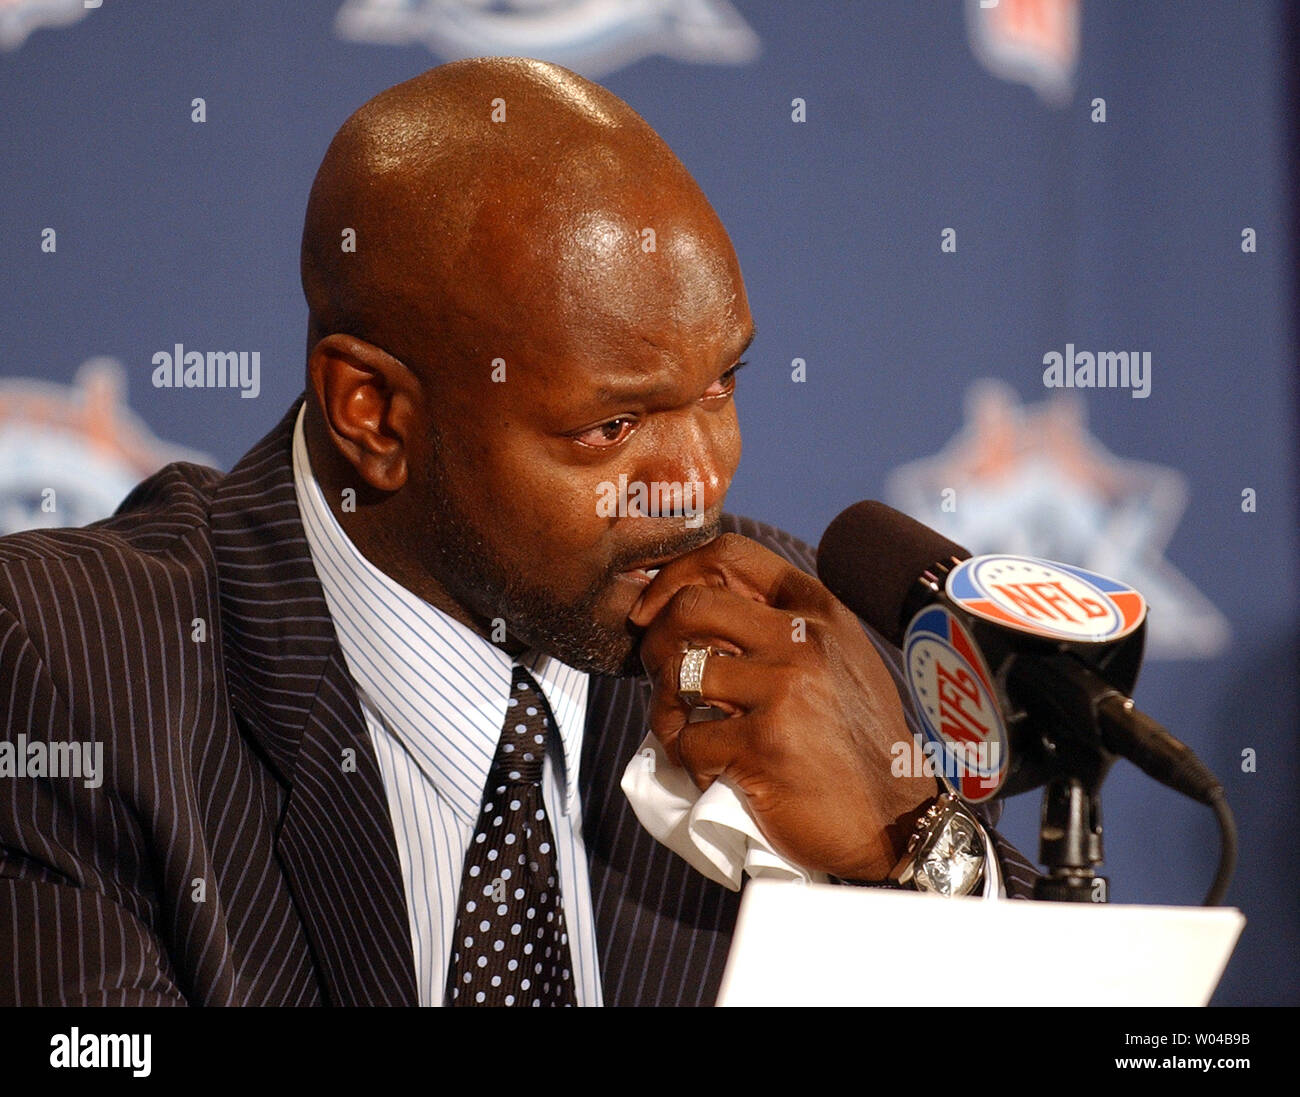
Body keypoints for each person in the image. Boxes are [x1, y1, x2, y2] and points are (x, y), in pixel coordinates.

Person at [0, 58, 1035, 1007]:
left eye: (721, 386)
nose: (696, 485)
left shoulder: (781, 632)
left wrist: (913, 855)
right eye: (612, 426)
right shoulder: (70, 662)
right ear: (374, 412)